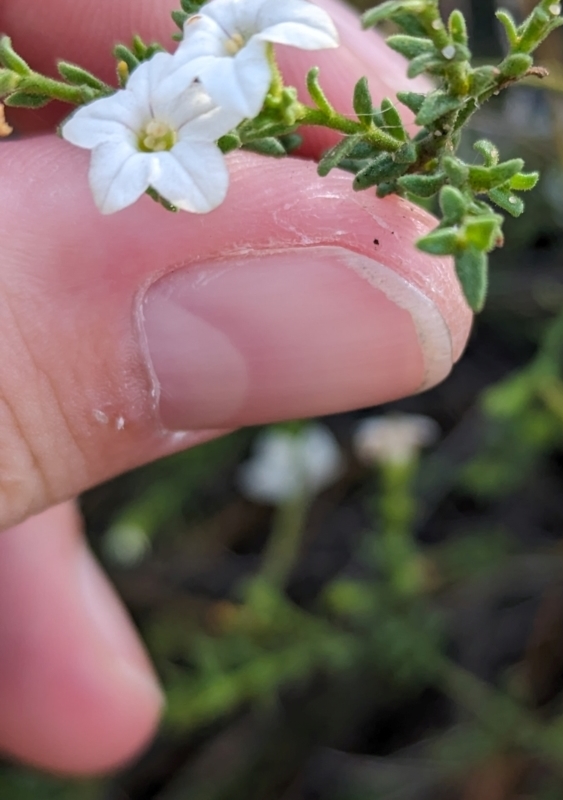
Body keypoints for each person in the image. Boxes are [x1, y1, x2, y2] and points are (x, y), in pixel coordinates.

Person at [0, 0, 471, 775]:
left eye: (152, 135)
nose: (152, 136)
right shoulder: (159, 114)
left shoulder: (189, 85)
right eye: (149, 136)